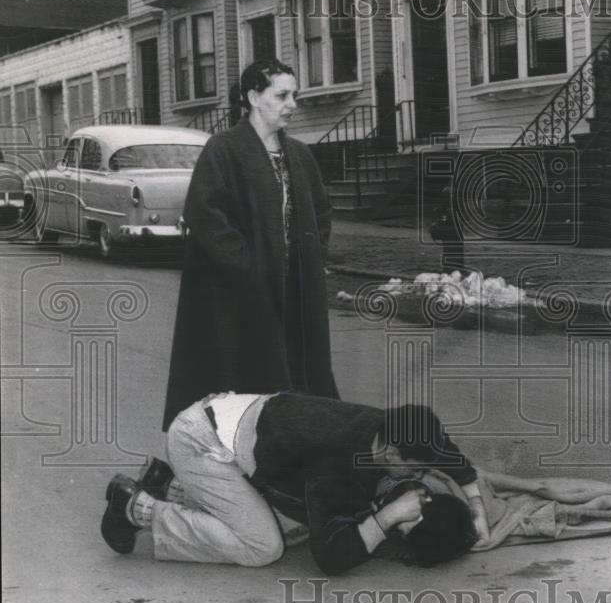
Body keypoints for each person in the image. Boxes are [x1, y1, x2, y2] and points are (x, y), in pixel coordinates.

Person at [101, 392, 490, 575]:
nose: (417, 480)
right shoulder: (338, 463)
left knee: (290, 520)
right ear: (391, 455)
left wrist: (476, 509)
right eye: (414, 471)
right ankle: (137, 509)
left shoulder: (386, 427)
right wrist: (387, 517)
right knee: (264, 546)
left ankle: (167, 482)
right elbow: (330, 558)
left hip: (227, 428)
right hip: (198, 440)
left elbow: (445, 451)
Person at [162, 59, 337, 431]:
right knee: (248, 378)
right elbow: (205, 214)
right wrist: (249, 266)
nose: (292, 104)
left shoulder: (300, 155)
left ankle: (300, 449)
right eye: (283, 95)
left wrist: (313, 255)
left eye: (295, 95)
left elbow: (321, 212)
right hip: (243, 294)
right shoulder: (223, 150)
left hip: (295, 289)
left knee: (301, 371)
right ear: (254, 97)